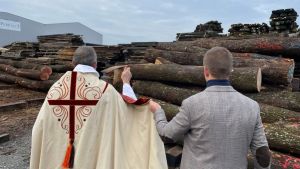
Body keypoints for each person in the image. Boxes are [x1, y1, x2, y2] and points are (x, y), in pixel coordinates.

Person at [30, 46, 167, 169]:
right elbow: (128, 114)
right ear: (95, 65)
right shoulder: (105, 91)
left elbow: (39, 128)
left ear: (73, 63)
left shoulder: (56, 89)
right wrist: (126, 83)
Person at [149, 47, 271, 169]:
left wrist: (158, 111)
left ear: (206, 71)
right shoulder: (252, 106)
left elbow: (167, 135)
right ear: (230, 71)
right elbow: (263, 155)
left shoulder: (192, 104)